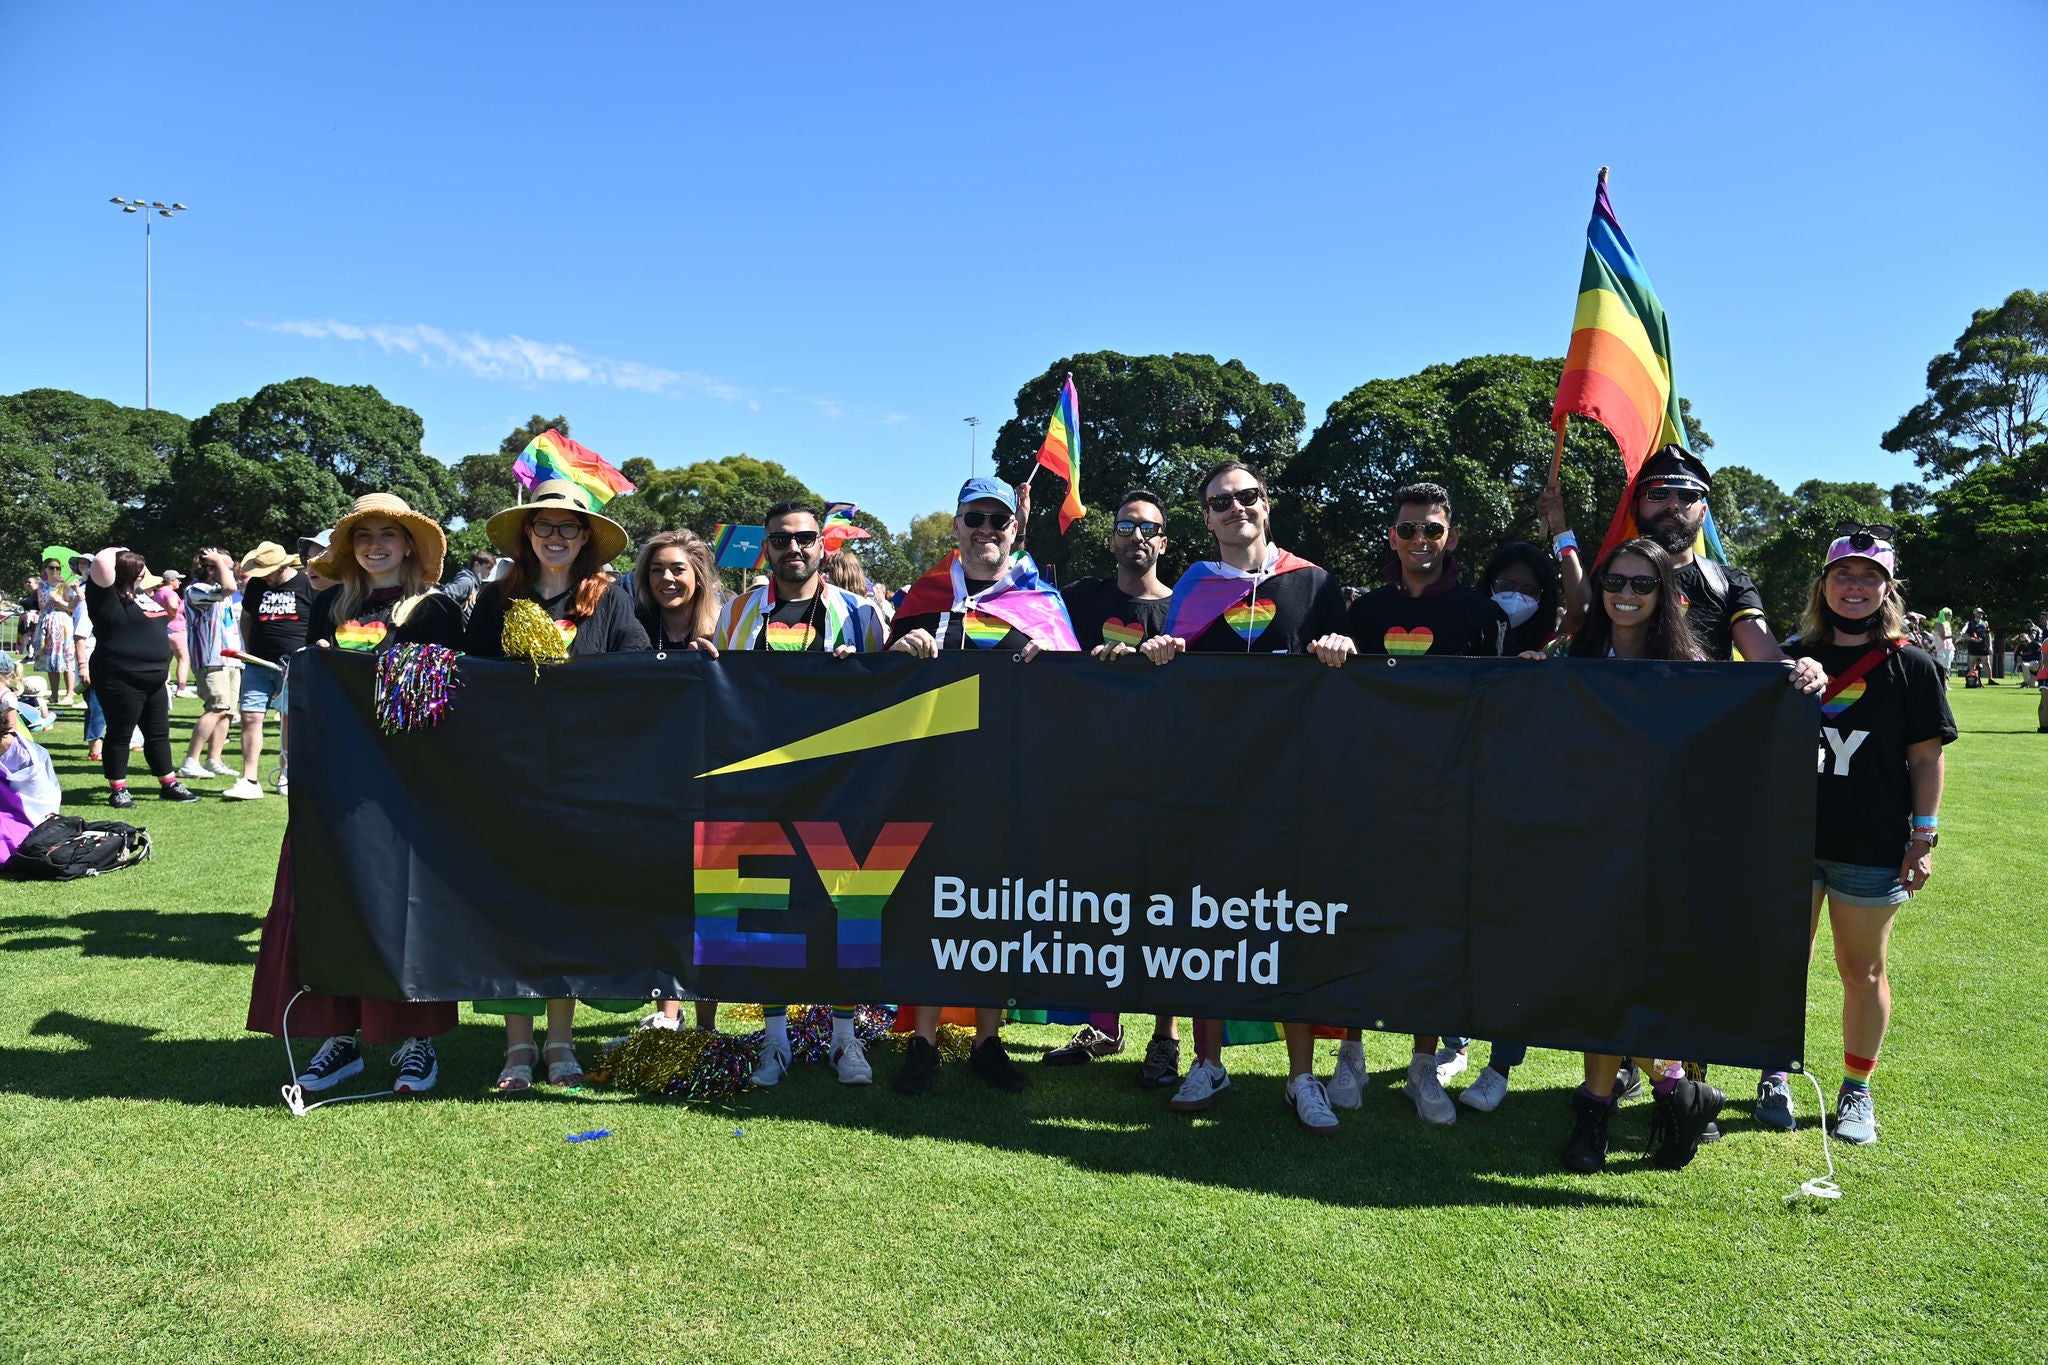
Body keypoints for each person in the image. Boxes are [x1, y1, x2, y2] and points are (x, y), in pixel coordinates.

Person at [1558, 538, 1824, 1173]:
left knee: (1655, 974)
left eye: (1641, 585)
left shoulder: (1696, 666)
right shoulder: (1573, 659)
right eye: (1615, 583)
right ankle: (1646, 1097)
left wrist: (1798, 680)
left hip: (1669, 849)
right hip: (1591, 845)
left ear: (1663, 595)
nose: (1626, 595)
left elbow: (1747, 720)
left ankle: (1663, 1087)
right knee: (1600, 974)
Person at [1139, 460, 1354, 1133]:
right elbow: (1169, 685)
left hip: (1294, 791)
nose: (1236, 508)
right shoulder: (1194, 589)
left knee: (1291, 928)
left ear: (1268, 504)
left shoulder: (1315, 582)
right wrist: (1158, 655)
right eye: (1221, 501)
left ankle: (1301, 1076)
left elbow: (1354, 685)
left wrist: (1344, 646)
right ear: (1205, 518)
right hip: (1210, 792)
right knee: (1206, 923)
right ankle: (1209, 1060)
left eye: (1248, 496)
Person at [247, 493, 465, 1097]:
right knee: (328, 900)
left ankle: (416, 1042)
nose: (375, 545)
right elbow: (310, 694)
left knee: (405, 907)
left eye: (387, 535)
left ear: (408, 547)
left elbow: (449, 698)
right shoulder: (328, 606)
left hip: (407, 787)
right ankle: (337, 1038)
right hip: (335, 783)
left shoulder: (438, 611)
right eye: (364, 535)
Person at [1309, 482, 1512, 1123]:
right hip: (1368, 800)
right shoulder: (1363, 611)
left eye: (1432, 530)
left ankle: (1425, 1068)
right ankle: (1350, 1055)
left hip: (1450, 802)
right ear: (1391, 537)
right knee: (1355, 925)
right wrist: (1332, 649)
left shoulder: (1483, 614)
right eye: (1407, 531)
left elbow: (1503, 707)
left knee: (1433, 935)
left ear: (1450, 536)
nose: (1419, 542)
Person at [1751, 525, 1953, 1145]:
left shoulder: (1912, 665)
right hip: (1788, 841)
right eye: (1844, 574)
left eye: (1870, 577)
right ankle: (1774, 1072)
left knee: (1862, 968)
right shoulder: (1783, 657)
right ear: (1825, 584)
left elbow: (1925, 758)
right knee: (1784, 965)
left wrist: (1923, 838)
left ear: (1887, 589)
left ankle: (1856, 1090)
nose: (1856, 587)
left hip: (1869, 844)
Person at [887, 476, 1080, 1096]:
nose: (986, 532)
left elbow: (1071, 683)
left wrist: (1051, 661)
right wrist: (902, 646)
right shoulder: (925, 593)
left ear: (1015, 530)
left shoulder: (1041, 599)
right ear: (956, 527)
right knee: (926, 903)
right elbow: (883, 681)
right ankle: (922, 1041)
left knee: (994, 909)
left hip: (1009, 780)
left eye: (998, 521)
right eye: (975, 519)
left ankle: (989, 1041)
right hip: (930, 774)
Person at [464, 481, 648, 1091]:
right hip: (507, 775)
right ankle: (518, 1046)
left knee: (567, 905)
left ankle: (561, 1041)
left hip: (583, 776)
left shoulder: (612, 599)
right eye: (544, 526)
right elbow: (470, 680)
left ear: (587, 538)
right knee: (513, 907)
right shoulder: (493, 602)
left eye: (569, 527)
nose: (556, 537)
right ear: (527, 534)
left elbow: (640, 672)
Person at [698, 502, 890, 1087]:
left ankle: (845, 1037)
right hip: (763, 787)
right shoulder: (736, 613)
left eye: (805, 538)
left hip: (842, 785)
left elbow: (891, 691)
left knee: (848, 907)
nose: (794, 549)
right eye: (781, 540)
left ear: (822, 545)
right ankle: (774, 1040)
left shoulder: (860, 615)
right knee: (766, 906)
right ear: (767, 547)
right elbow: (720, 687)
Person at [1038, 489, 1184, 1087]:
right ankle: (1103, 1025)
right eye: (1126, 526)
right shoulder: (1080, 599)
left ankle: (1166, 1037)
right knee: (1099, 905)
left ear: (1165, 542)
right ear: (1111, 538)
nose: (1137, 537)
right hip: (1091, 777)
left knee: (1165, 910)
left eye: (1150, 528)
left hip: (1167, 780)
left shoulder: (1186, 610)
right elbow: (1039, 647)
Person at [80, 549, 200, 809]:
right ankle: (119, 789)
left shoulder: (143, 595)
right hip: (120, 676)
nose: (144, 571)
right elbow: (102, 560)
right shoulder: (105, 596)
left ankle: (169, 783)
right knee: (121, 733)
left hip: (154, 677)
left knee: (158, 733)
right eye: (138, 566)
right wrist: (123, 551)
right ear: (125, 571)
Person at [225, 543, 315, 801]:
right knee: (251, 716)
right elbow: (247, 617)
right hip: (257, 663)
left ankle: (286, 774)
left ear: (283, 566)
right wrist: (249, 648)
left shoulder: (307, 585)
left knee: (289, 719)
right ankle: (249, 779)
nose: (264, 575)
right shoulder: (256, 586)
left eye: (268, 571)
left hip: (294, 665)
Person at [178, 549, 242, 782]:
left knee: (227, 712)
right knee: (216, 707)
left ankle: (214, 759)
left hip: (231, 659)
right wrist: (218, 562)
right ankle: (190, 761)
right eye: (226, 567)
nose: (232, 572)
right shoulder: (196, 590)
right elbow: (230, 588)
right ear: (210, 568)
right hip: (210, 658)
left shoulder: (216, 592)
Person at [33, 554, 78, 706]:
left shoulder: (65, 585)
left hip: (62, 623)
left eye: (58, 568)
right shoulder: (42, 585)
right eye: (51, 567)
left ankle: (70, 694)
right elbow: (41, 606)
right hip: (46, 621)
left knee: (66, 658)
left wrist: (58, 600)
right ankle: (54, 695)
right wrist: (49, 601)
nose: (55, 571)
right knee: (50, 660)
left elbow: (71, 607)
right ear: (45, 569)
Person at [154, 569, 194, 696]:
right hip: (176, 629)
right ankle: (181, 688)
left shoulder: (158, 593)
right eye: (178, 579)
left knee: (166, 659)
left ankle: (163, 686)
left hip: (163, 629)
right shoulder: (170, 593)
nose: (180, 582)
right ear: (171, 580)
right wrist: (173, 615)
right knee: (183, 659)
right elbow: (173, 606)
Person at [441, 548, 499, 621]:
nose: (490, 572)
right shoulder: (467, 582)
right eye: (488, 568)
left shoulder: (473, 583)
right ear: (477, 564)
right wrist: (456, 608)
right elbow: (441, 597)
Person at [1960, 606, 1993, 685]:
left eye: (1981, 613)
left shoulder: (1985, 623)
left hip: (1983, 646)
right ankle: (1972, 679)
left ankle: (1990, 680)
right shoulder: (1970, 623)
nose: (1980, 614)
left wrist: (1990, 646)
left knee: (1986, 663)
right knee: (1972, 664)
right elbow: (1966, 635)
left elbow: (1988, 635)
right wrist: (1974, 639)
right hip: (1973, 646)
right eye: (1978, 613)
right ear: (1975, 614)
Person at [1932, 607, 1955, 682]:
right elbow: (1943, 637)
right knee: (1942, 666)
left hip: (1948, 647)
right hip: (1942, 647)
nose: (1950, 617)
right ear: (1944, 615)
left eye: (1951, 615)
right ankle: (1941, 683)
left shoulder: (1947, 624)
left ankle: (1944, 683)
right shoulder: (1940, 624)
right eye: (1949, 615)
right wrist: (1954, 635)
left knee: (1946, 666)